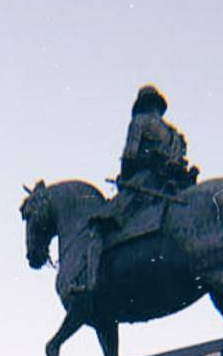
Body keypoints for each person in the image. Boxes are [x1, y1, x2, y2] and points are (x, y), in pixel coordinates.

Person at [72, 84, 200, 300]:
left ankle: (89, 283)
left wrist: (123, 178)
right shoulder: (174, 134)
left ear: (141, 105)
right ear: (158, 106)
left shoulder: (139, 122)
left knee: (97, 226)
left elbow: (130, 156)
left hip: (145, 184)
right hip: (172, 188)